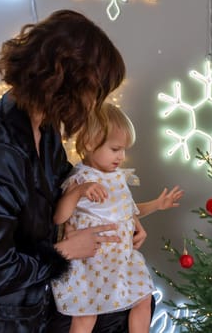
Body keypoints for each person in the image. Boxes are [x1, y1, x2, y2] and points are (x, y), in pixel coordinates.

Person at [0, 9, 148, 332]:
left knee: (134, 303)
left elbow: (66, 182)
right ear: (68, 83)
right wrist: (66, 250)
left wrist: (120, 214)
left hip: (29, 301)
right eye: (94, 94)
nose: (93, 106)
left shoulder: (44, 128)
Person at [51, 102, 184, 333]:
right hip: (91, 263)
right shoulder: (81, 178)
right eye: (115, 149)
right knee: (85, 317)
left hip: (120, 260)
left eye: (124, 150)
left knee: (143, 298)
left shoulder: (117, 177)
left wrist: (157, 204)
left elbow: (127, 211)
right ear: (91, 144)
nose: (122, 157)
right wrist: (79, 191)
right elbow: (59, 217)